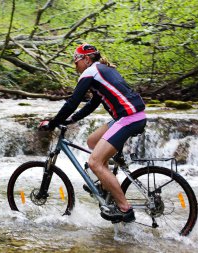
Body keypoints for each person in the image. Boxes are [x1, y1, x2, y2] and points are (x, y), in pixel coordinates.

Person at [39, 43, 146, 223]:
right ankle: (106, 186)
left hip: (129, 118)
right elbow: (92, 104)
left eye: (76, 61)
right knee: (92, 142)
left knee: (95, 162)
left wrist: (53, 123)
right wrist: (71, 120)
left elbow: (73, 102)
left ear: (86, 59)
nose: (75, 66)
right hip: (131, 116)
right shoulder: (102, 70)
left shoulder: (90, 72)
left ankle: (125, 209)